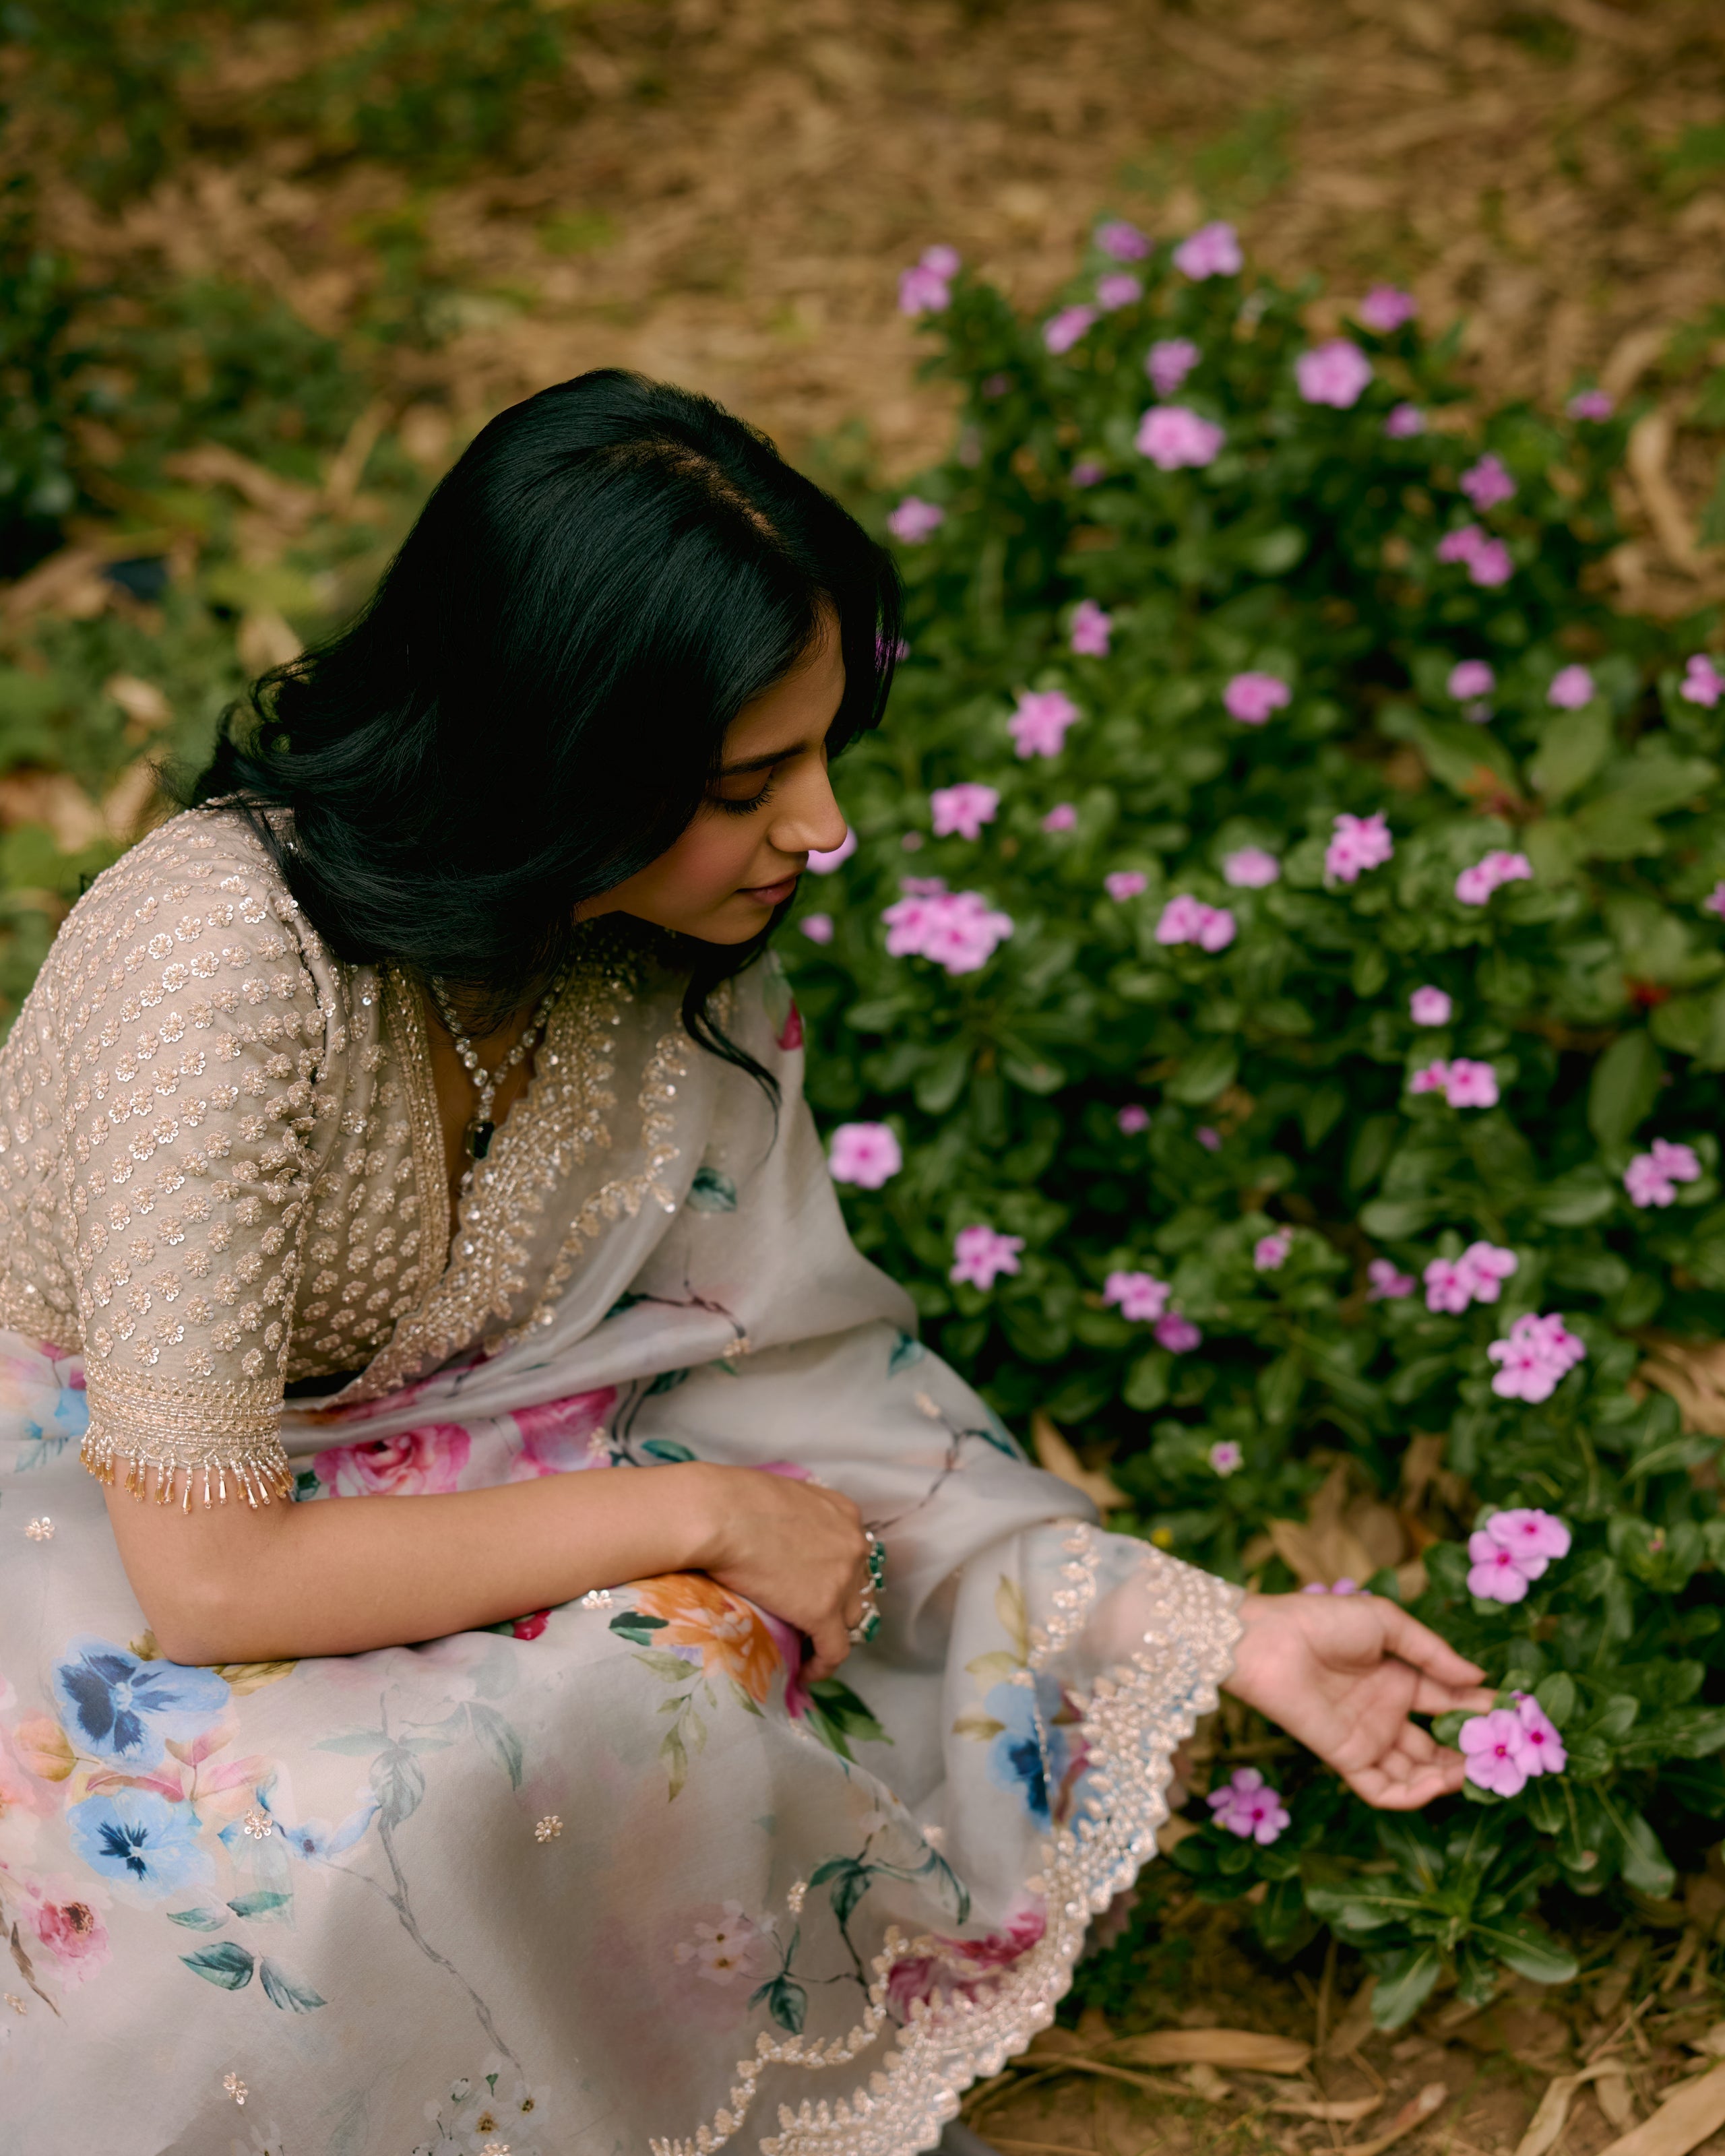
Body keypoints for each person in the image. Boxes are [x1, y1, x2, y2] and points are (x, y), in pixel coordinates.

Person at [0, 372, 1489, 2155]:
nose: (827, 826)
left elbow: (801, 1372)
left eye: (827, 750)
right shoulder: (218, 967)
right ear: (552, 753)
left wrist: (1218, 1634)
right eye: (751, 779)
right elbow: (213, 1586)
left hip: (421, 1485)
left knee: (667, 1677)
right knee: (306, 1871)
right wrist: (699, 1512)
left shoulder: (649, 952)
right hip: (94, 1524)